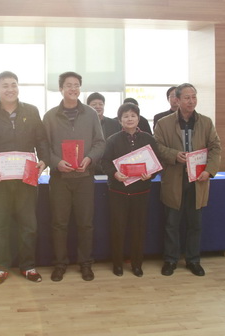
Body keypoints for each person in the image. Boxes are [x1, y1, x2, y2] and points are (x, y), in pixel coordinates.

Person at [0, 71, 50, 285]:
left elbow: (41, 140)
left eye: (13, 85)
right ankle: (2, 266)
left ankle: (28, 266)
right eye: (5, 85)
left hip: (26, 177)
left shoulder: (31, 110)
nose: (10, 89)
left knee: (29, 225)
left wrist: (44, 161)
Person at [43, 72, 105, 282]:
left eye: (76, 85)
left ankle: (85, 263)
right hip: (59, 179)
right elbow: (44, 147)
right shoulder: (50, 116)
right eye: (68, 85)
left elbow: (100, 142)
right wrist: (56, 162)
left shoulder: (90, 114)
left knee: (85, 223)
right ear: (61, 88)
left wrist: (89, 158)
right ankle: (60, 264)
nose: (73, 88)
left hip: (84, 177)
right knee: (59, 224)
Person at [154, 83, 221, 277]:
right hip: (174, 177)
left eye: (194, 97)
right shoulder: (164, 123)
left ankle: (193, 260)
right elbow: (156, 146)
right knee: (171, 223)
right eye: (187, 97)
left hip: (198, 179)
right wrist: (174, 155)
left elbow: (215, 147)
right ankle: (170, 260)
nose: (191, 101)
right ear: (177, 100)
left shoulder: (206, 122)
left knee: (195, 223)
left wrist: (209, 171)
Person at [102, 103, 158, 277]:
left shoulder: (148, 139)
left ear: (138, 118)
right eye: (125, 116)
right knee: (117, 228)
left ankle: (137, 264)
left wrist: (151, 174)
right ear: (120, 120)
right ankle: (117, 264)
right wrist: (114, 174)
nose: (129, 119)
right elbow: (104, 163)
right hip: (118, 191)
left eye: (133, 115)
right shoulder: (112, 140)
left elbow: (158, 163)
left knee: (138, 229)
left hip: (141, 191)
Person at [87, 92, 121, 175]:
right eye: (94, 104)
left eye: (100, 104)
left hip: (111, 168)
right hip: (90, 167)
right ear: (88, 106)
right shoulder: (83, 125)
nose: (98, 106)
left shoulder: (114, 124)